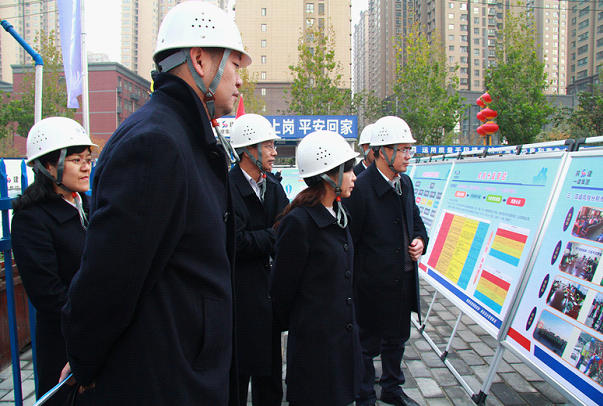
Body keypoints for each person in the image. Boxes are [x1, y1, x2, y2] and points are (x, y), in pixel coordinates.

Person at [60, 2, 251, 404]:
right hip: (166, 380)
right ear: (199, 60)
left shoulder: (184, 135)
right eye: (235, 64)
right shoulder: (156, 143)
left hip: (185, 368)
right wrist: (85, 360)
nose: (239, 80)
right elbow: (109, 276)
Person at [271, 131, 363, 406]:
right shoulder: (299, 223)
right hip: (315, 348)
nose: (354, 177)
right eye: (348, 170)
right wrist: (307, 321)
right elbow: (281, 290)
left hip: (342, 343)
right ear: (328, 175)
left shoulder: (338, 214)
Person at [343, 116, 428, 406]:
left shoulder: (405, 183)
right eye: (402, 149)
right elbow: (350, 241)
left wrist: (420, 241)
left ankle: (392, 388)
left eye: (409, 149)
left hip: (403, 279)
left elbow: (416, 220)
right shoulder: (361, 188)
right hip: (372, 285)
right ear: (382, 152)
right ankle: (365, 396)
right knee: (366, 346)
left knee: (397, 340)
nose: (408, 155)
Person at [11, 117, 96, 405]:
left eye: (87, 159)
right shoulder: (31, 219)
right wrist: (94, 326)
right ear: (48, 166)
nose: (86, 167)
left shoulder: (90, 206)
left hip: (105, 334)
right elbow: (48, 294)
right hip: (66, 342)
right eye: (75, 160)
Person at [228, 114, 289, 406]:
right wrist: (273, 235)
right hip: (239, 300)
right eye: (268, 146)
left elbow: (287, 231)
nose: (274, 152)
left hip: (269, 297)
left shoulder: (274, 187)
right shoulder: (226, 189)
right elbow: (237, 242)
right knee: (237, 382)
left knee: (271, 383)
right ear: (247, 150)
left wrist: (268, 237)